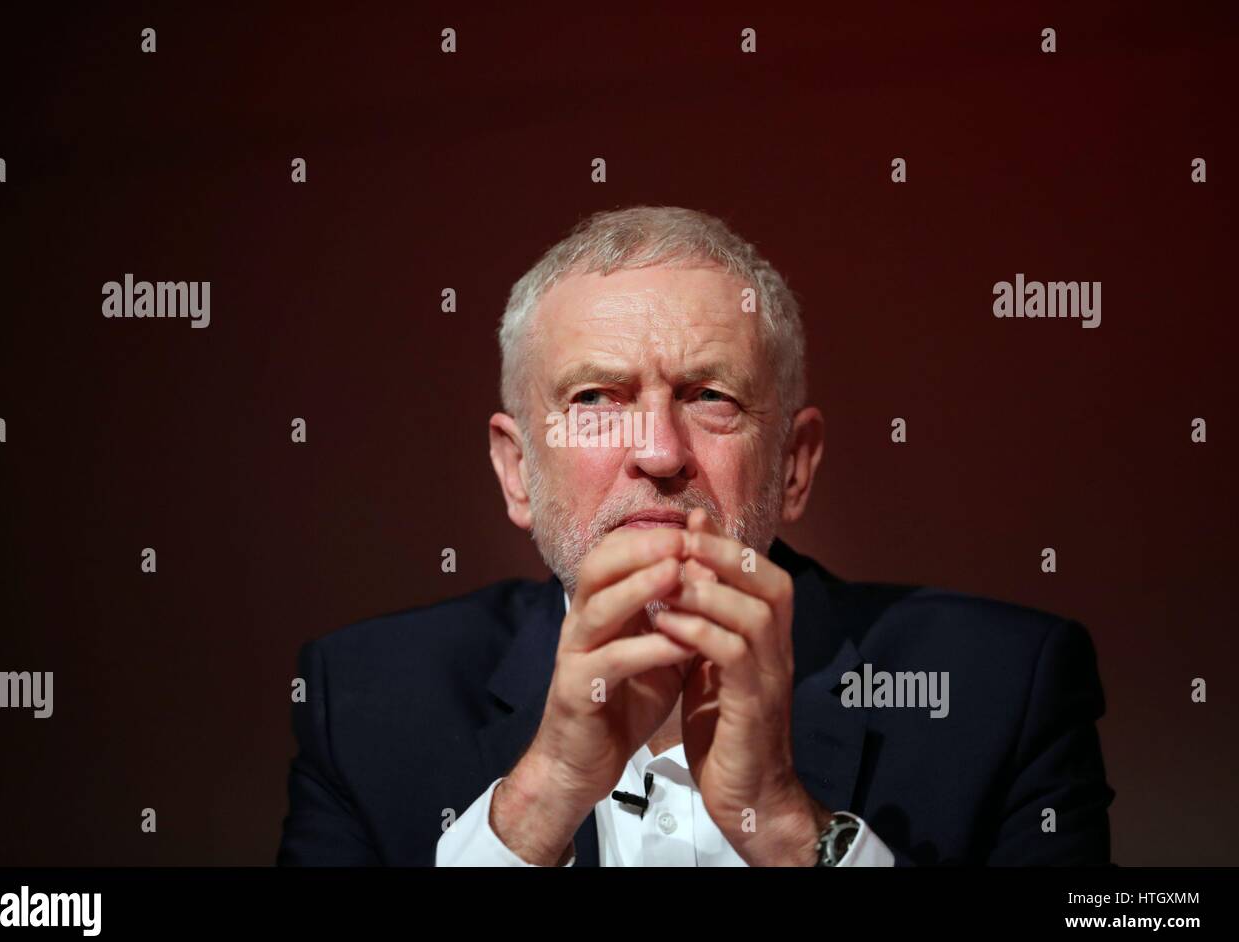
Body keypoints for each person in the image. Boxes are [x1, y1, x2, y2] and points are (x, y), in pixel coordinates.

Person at [277, 206, 1113, 866]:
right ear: (516, 472)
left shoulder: (1004, 689)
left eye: (711, 395)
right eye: (597, 399)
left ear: (793, 466)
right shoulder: (364, 702)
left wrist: (791, 832)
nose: (660, 452)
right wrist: (535, 809)